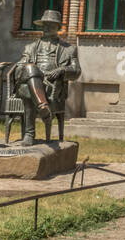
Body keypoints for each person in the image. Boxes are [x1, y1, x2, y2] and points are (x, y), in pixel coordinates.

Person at [12, 9, 81, 145]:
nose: (47, 27)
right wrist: (29, 70)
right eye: (45, 25)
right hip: (31, 84)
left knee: (28, 90)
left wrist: (62, 69)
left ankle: (29, 134)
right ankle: (42, 107)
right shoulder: (30, 47)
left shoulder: (69, 49)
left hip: (52, 86)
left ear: (58, 27)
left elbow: (76, 70)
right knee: (29, 70)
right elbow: (19, 67)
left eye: (51, 25)